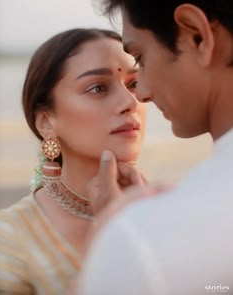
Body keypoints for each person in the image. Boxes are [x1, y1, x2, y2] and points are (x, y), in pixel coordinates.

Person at [76, 1, 233, 294]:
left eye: (140, 59)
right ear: (44, 120)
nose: (140, 96)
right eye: (98, 88)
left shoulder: (145, 241)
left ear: (197, 36)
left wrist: (118, 239)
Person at [0, 28, 147, 294]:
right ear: (46, 122)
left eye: (134, 84)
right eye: (98, 88)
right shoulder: (8, 239)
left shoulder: (166, 209)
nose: (130, 102)